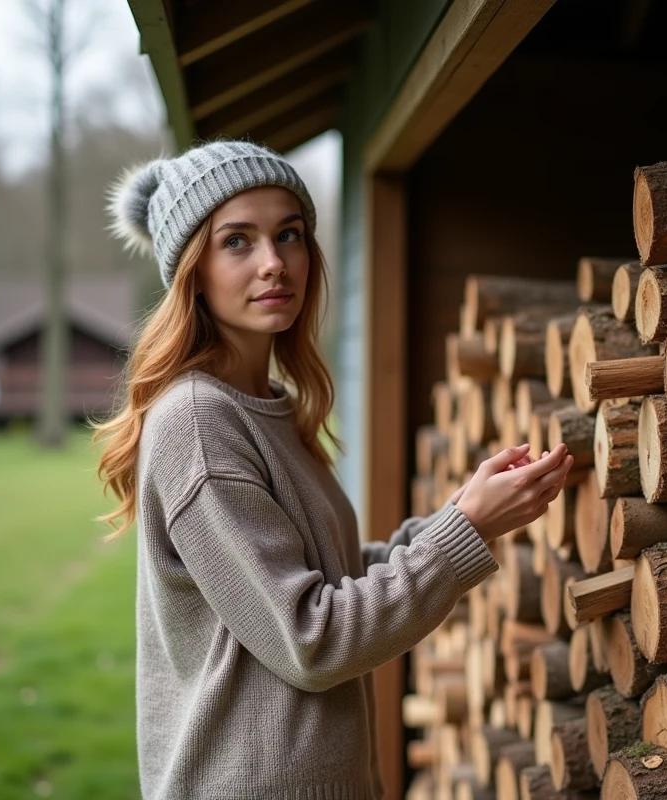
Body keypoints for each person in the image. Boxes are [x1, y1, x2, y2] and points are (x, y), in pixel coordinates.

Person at [93, 140, 573, 800]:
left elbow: (328, 574)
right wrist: (462, 530)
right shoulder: (199, 422)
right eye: (237, 241)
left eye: (289, 234)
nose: (273, 262)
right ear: (192, 271)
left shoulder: (270, 407)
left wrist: (461, 518)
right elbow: (312, 641)